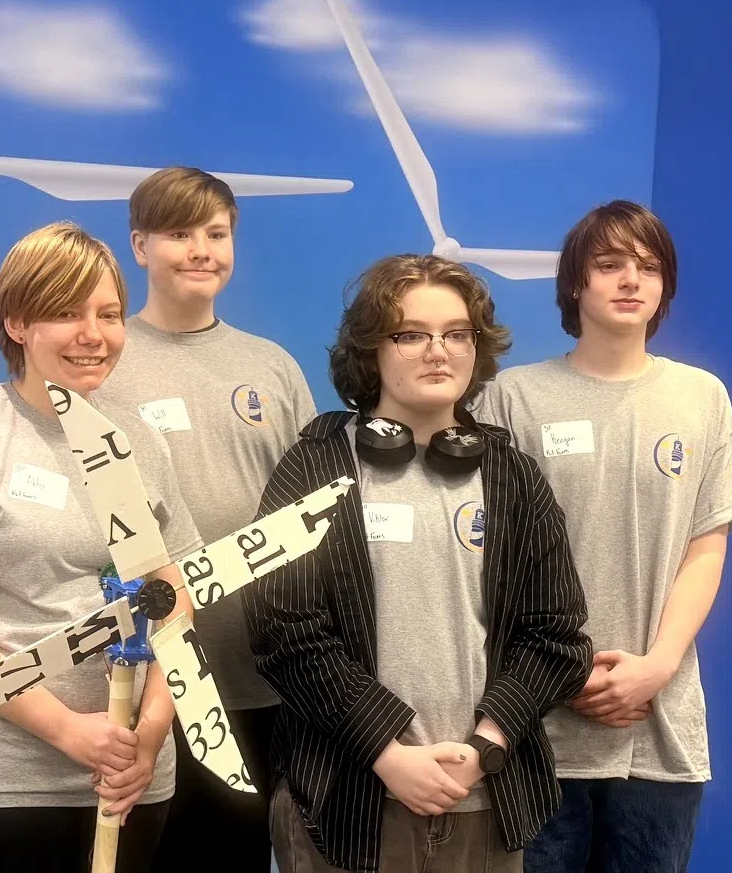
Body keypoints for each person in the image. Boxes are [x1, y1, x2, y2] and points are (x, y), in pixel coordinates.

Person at [244, 253, 592, 873]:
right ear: (370, 350)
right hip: (345, 804)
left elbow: (556, 636)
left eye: (457, 334)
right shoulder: (315, 466)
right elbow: (284, 632)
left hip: (486, 799)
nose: (439, 351)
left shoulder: (514, 476)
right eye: (411, 334)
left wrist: (486, 746)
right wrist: (387, 752)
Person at [0, 221, 203, 873]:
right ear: (17, 324)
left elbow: (174, 602)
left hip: (129, 783)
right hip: (1, 787)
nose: (93, 334)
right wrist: (68, 731)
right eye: (66, 313)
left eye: (108, 314)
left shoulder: (137, 441)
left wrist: (147, 735)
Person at [472, 201, 732, 873]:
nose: (630, 280)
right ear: (576, 282)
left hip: (657, 729)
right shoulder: (512, 398)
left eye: (648, 267)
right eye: (609, 265)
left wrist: (657, 666)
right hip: (534, 729)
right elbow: (481, 558)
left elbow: (705, 547)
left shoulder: (701, 397)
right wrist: (558, 672)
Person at [92, 166, 316, 872]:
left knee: (235, 856)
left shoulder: (272, 367)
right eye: (179, 234)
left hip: (256, 675)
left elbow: (308, 514)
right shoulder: (103, 362)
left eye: (216, 234)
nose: (200, 251)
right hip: (139, 677)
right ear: (139, 246)